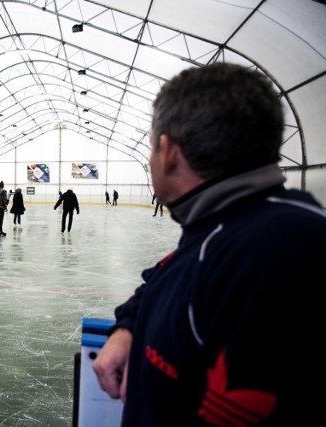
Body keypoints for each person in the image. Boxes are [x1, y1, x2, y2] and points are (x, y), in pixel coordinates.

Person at [92, 63, 326, 426]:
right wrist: (129, 327)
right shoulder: (230, 229)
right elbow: (166, 276)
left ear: (168, 152)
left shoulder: (277, 251)